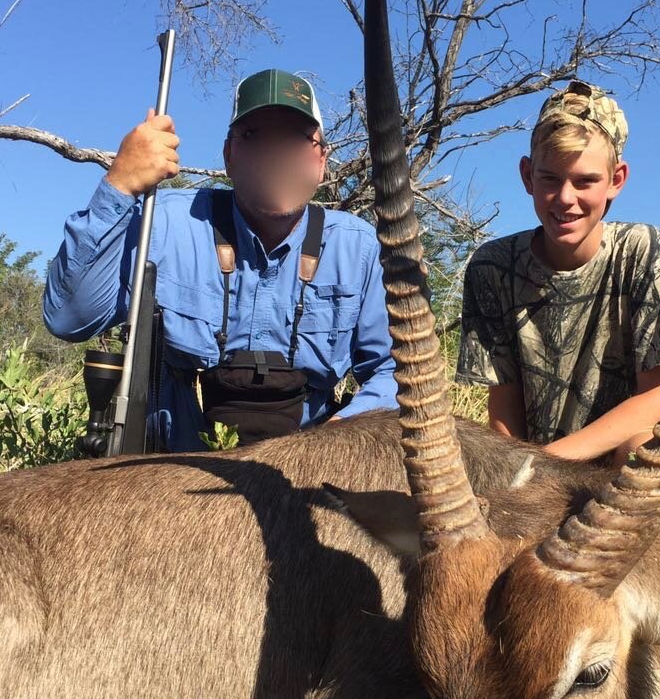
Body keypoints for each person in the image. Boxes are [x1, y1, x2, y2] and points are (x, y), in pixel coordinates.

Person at [44, 69, 397, 451]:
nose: (277, 155)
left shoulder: (359, 248)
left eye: (295, 139)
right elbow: (69, 318)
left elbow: (396, 370)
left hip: (304, 475)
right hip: (169, 478)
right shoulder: (162, 223)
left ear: (321, 160)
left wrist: (336, 438)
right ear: (229, 155)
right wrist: (119, 186)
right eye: (256, 137)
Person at [456, 80, 660, 464]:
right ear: (527, 176)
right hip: (531, 467)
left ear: (616, 180)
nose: (565, 198)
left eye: (585, 181)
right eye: (550, 178)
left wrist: (548, 463)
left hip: (605, 466)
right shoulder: (492, 267)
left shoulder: (646, 251)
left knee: (643, 450)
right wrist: (521, 475)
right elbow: (503, 407)